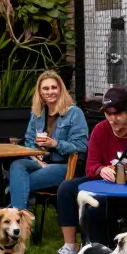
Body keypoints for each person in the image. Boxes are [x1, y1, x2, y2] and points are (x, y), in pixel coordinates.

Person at [46, 87, 127, 254]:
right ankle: (70, 247)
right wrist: (101, 170)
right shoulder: (100, 129)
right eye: (108, 114)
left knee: (96, 203)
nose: (113, 119)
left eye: (117, 114)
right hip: (101, 182)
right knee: (66, 188)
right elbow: (90, 166)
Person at [8, 71, 87, 212]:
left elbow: (81, 147)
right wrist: (36, 158)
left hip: (64, 165)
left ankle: (17, 216)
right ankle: (23, 212)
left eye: (54, 87)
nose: (50, 92)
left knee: (16, 185)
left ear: (60, 89)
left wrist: (55, 144)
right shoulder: (37, 113)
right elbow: (29, 141)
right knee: (17, 164)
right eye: (45, 88)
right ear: (40, 92)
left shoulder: (74, 113)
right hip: (40, 162)